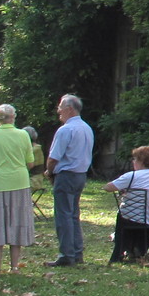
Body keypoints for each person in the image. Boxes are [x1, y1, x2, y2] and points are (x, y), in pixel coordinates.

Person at [0, 104, 36, 274]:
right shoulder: (23, 135)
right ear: (13, 117)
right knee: (16, 223)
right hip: (19, 182)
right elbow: (30, 162)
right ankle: (15, 266)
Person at [104, 145, 149, 264]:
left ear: (140, 161)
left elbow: (107, 187)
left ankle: (119, 251)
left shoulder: (131, 176)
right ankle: (139, 248)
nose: (133, 162)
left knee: (123, 214)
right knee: (143, 216)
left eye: (134, 159)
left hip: (131, 218)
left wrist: (127, 189)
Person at [45, 94, 94, 267]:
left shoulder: (66, 129)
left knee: (63, 215)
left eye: (60, 107)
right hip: (80, 175)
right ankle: (76, 252)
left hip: (66, 175)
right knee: (73, 214)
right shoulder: (87, 128)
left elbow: (54, 157)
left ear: (69, 109)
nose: (58, 110)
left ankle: (66, 255)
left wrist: (49, 171)